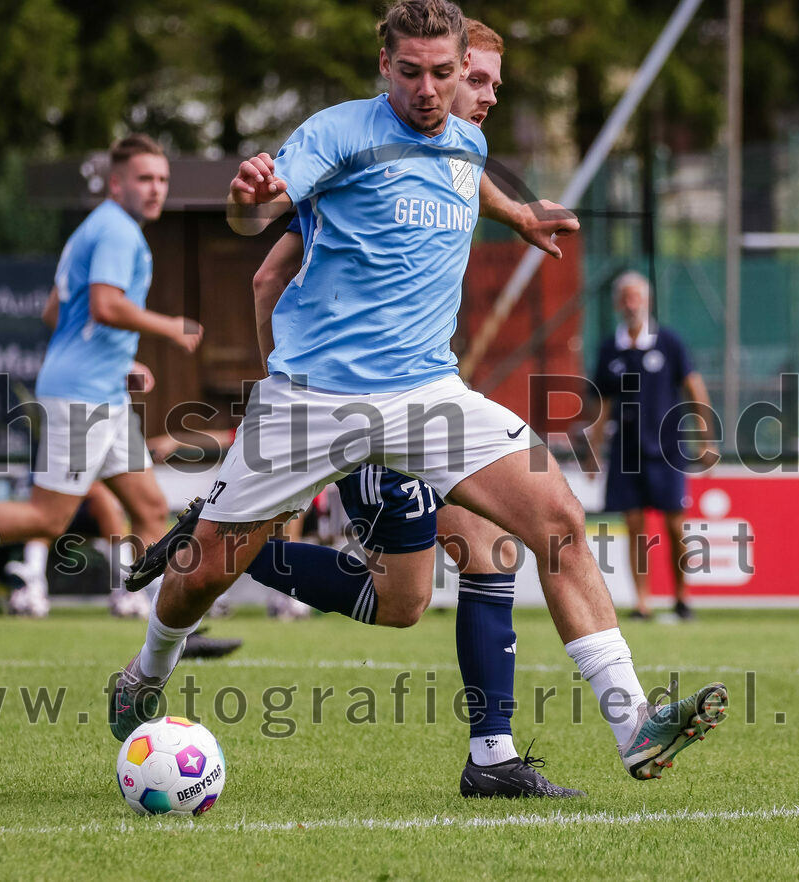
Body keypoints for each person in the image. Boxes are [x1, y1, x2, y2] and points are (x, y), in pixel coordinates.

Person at [113, 0, 727, 796]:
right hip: (314, 398)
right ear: (385, 67)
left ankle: (633, 724)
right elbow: (256, 216)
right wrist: (248, 194)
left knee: (559, 523)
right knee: (202, 576)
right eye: (412, 73)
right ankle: (146, 672)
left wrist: (520, 212)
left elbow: (464, 176)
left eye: (445, 72)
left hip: (429, 394)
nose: (430, 89)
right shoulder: (337, 134)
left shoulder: (467, 140)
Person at [0, 134, 203, 617]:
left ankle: (163, 620)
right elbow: (105, 305)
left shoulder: (92, 229)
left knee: (148, 509)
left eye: (162, 179)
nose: (156, 189)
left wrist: (118, 360)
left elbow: (55, 310)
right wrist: (169, 327)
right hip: (83, 398)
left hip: (101, 393)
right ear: (116, 183)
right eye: (145, 178)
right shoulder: (118, 231)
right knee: (47, 517)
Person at [590, 271, 718, 620]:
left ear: (647, 301)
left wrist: (706, 438)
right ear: (618, 303)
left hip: (668, 449)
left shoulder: (669, 343)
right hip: (625, 452)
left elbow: (694, 390)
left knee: (676, 524)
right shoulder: (609, 348)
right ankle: (642, 602)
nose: (632, 304)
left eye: (637, 297)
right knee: (634, 525)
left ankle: (682, 597)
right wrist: (592, 450)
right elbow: (601, 403)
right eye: (626, 298)